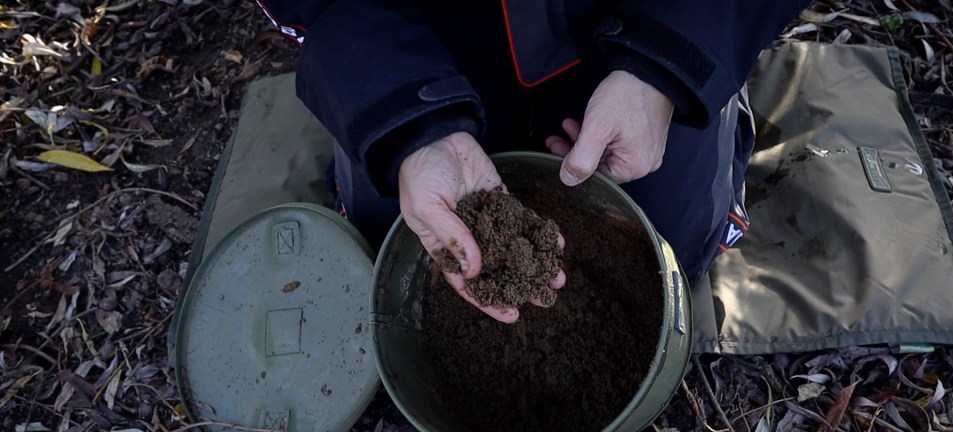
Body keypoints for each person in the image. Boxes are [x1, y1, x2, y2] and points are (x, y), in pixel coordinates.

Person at [257, 0, 809, 322]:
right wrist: (410, 125)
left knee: (658, 242)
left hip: (636, 17)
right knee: (402, 246)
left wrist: (667, 67)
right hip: (416, 32)